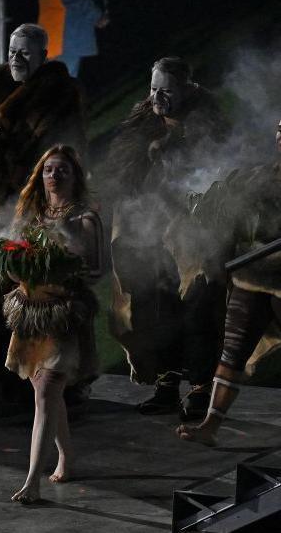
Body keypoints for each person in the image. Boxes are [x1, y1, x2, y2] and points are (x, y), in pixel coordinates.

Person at [0, 23, 89, 404]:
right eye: (12, 51)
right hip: (5, 202)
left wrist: (52, 194)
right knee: (3, 283)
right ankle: (0, 372)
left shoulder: (61, 93)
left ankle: (59, 376)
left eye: (25, 53)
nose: (16, 59)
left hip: (46, 202)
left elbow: (69, 148)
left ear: (42, 56)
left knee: (51, 288)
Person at [106, 57, 229, 420]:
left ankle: (200, 389)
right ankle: (166, 385)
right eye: (153, 89)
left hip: (193, 233)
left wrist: (174, 149)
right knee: (153, 309)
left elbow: (218, 175)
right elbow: (122, 170)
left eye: (166, 91)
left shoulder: (207, 124)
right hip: (147, 229)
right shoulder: (141, 123)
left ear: (188, 89)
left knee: (197, 311)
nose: (158, 98)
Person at [0, 144, 103, 503]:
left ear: (74, 177)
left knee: (46, 393)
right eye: (48, 170)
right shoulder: (31, 215)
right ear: (40, 176)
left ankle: (32, 481)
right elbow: (10, 263)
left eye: (62, 170)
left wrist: (65, 267)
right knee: (45, 393)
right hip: (31, 313)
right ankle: (66, 457)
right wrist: (18, 265)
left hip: (64, 315)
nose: (54, 176)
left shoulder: (85, 218)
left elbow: (98, 270)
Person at [174, 119, 281, 446]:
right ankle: (210, 426)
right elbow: (228, 216)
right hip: (252, 277)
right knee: (233, 352)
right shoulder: (259, 176)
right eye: (280, 129)